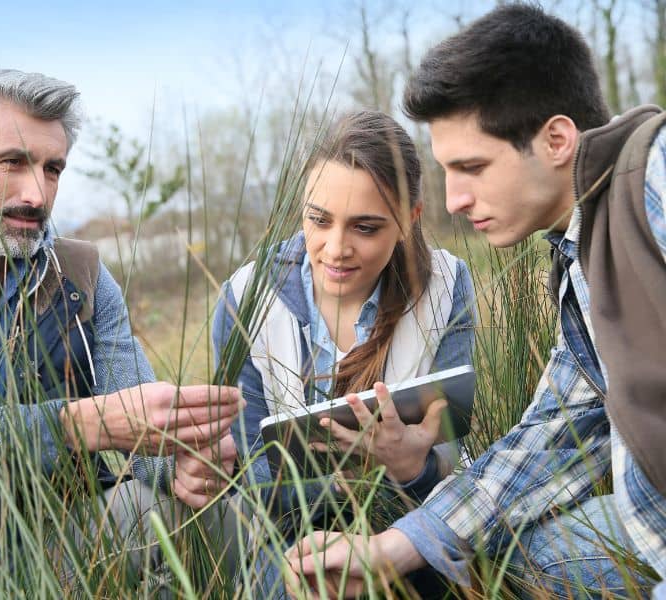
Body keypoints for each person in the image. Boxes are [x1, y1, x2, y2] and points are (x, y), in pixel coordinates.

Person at [285, 5, 666, 599]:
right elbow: (557, 433)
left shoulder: (655, 179)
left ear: (557, 139)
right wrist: (394, 547)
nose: (455, 199)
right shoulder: (584, 254)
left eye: (472, 168)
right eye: (445, 171)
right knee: (524, 555)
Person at [0, 69, 241, 587]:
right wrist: (78, 423)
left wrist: (183, 464)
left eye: (52, 169)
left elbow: (141, 418)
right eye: (13, 163)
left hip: (63, 539)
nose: (37, 195)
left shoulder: (80, 273)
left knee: (215, 516)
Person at [212, 110, 476, 598]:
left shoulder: (447, 283)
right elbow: (252, 482)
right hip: (289, 541)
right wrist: (343, 488)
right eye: (319, 220)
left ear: (408, 221)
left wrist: (411, 469)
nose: (335, 249)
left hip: (408, 529)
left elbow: (453, 466)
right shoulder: (242, 298)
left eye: (366, 228)